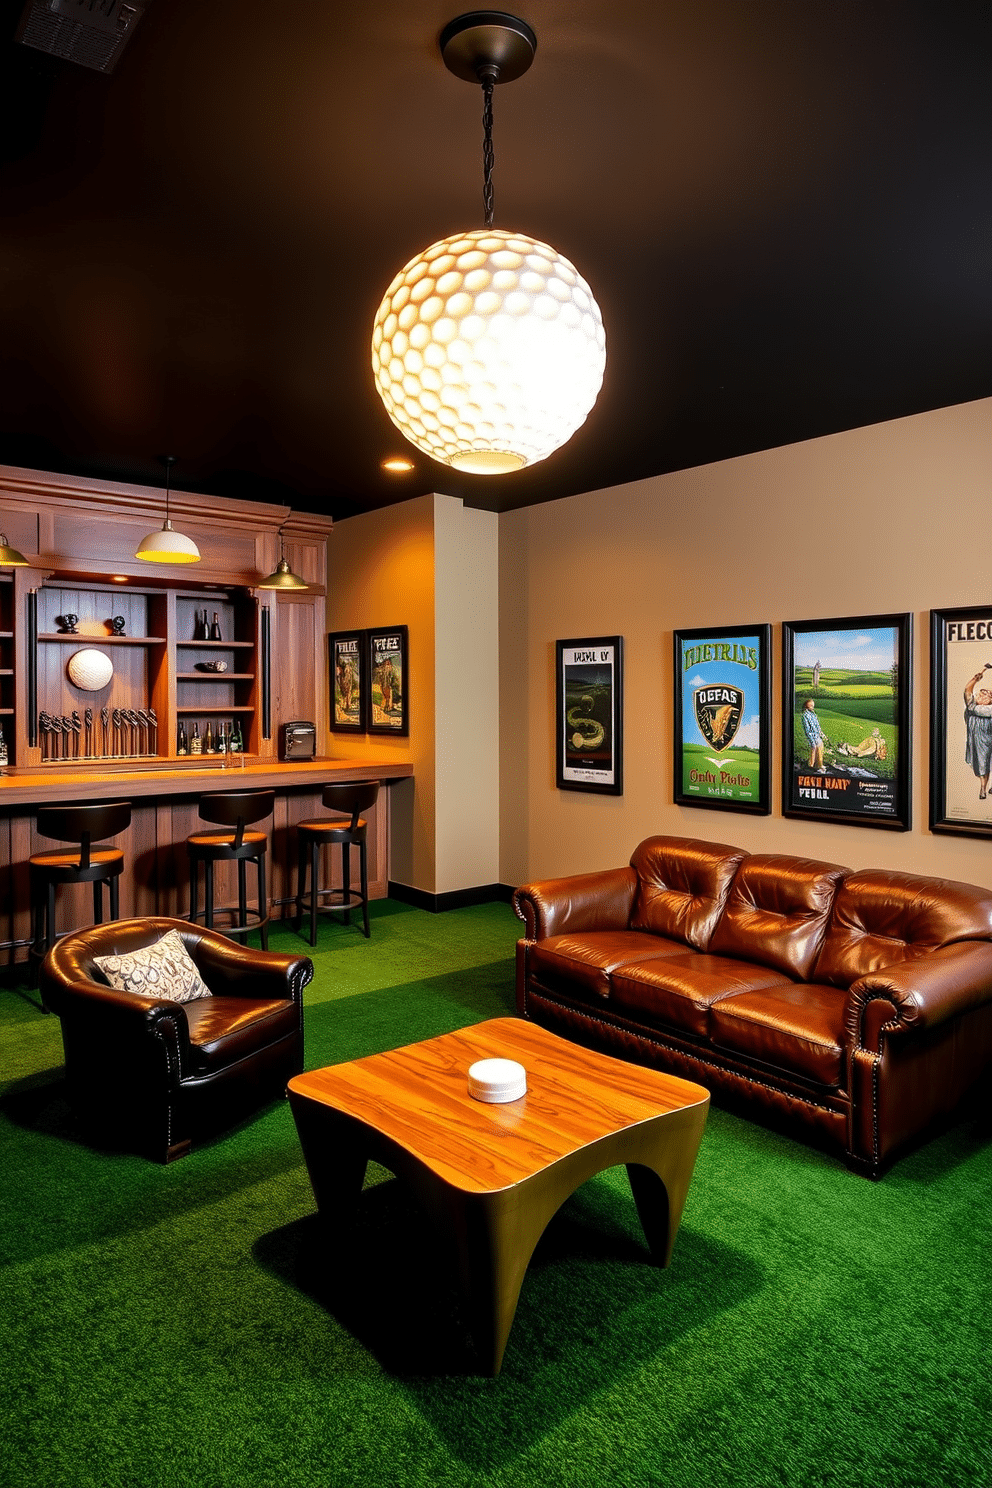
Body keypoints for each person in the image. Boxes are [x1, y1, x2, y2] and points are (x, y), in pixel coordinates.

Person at [963, 667, 992, 800]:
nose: (980, 697)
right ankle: (983, 788)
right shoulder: (972, 707)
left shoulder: (988, 710)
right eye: (979, 695)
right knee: (982, 765)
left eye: (984, 696)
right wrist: (975, 679)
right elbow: (967, 691)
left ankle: (984, 789)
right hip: (980, 742)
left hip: (989, 738)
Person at [800, 698, 827, 772]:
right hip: (811, 736)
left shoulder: (813, 714)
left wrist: (822, 735)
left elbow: (818, 727)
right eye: (811, 705)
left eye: (813, 705)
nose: (812, 707)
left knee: (820, 747)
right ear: (807, 706)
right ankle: (811, 766)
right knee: (814, 749)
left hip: (817, 736)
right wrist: (812, 741)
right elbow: (807, 730)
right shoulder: (805, 716)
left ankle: (819, 765)